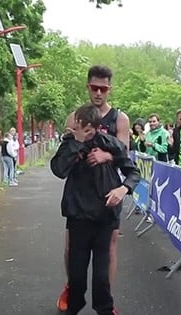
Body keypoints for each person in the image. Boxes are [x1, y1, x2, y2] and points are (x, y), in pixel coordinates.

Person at [51, 105, 140, 315]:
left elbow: (133, 171)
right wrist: (77, 144)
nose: (85, 132)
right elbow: (58, 170)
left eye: (89, 129)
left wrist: (123, 188)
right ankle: (73, 305)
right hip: (78, 215)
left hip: (105, 215)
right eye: (80, 128)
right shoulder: (69, 145)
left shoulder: (109, 143)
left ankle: (105, 309)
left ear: (97, 128)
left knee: (101, 274)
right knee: (77, 272)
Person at [59, 65, 130, 312]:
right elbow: (63, 158)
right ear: (88, 87)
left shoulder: (120, 119)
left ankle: (105, 301)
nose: (98, 93)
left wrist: (105, 156)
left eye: (103, 88)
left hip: (106, 192)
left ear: (109, 89)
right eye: (94, 88)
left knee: (109, 247)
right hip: (79, 195)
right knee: (72, 247)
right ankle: (72, 288)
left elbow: (124, 154)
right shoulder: (74, 117)